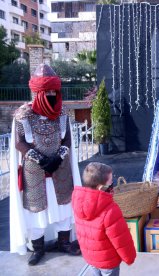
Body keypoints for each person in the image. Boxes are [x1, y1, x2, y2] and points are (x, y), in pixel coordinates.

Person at [9, 63, 81, 265]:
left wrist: (59, 156)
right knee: (36, 210)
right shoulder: (23, 114)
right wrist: (39, 158)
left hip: (60, 169)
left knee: (64, 207)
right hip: (35, 171)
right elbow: (18, 142)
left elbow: (68, 139)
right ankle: (37, 248)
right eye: (46, 91)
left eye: (53, 90)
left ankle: (64, 243)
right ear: (37, 92)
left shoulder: (62, 112)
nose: (51, 94)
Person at [72, 162, 136, 276]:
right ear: (102, 187)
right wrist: (129, 257)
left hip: (90, 257)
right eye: (111, 182)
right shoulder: (110, 210)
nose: (113, 184)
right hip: (108, 261)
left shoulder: (78, 203)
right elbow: (121, 238)